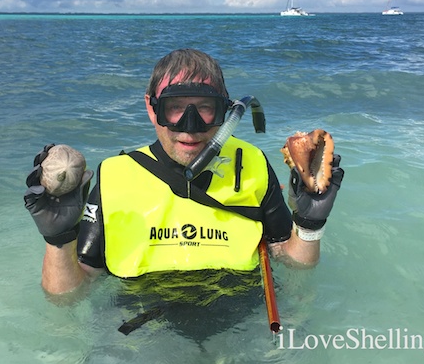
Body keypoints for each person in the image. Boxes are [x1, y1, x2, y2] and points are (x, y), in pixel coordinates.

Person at [25, 49, 344, 297]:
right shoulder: (114, 175)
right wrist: (58, 240)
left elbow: (292, 265)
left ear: (225, 112)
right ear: (152, 108)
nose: (190, 128)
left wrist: (309, 226)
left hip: (238, 312)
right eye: (175, 107)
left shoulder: (253, 164)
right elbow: (68, 297)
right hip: (141, 324)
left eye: (204, 108)